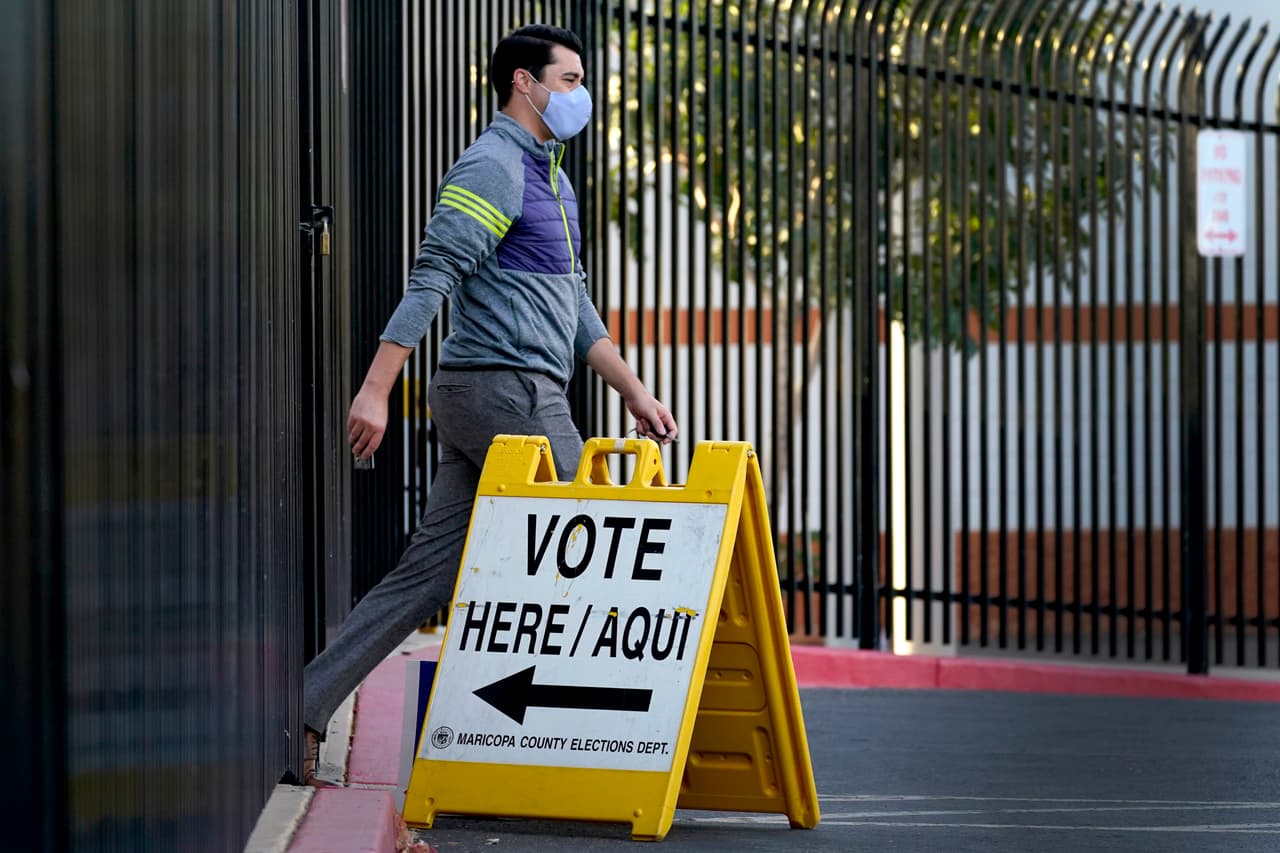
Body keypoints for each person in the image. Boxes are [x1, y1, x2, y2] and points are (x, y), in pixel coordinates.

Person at [299, 24, 678, 786]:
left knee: (429, 575)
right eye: (568, 80)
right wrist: (376, 387)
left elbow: (576, 313)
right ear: (523, 84)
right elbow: (434, 274)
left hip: (500, 388)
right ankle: (596, 747)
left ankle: (304, 708)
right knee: (595, 539)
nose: (580, 94)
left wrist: (634, 390)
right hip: (508, 389)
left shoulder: (555, 181)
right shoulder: (493, 165)